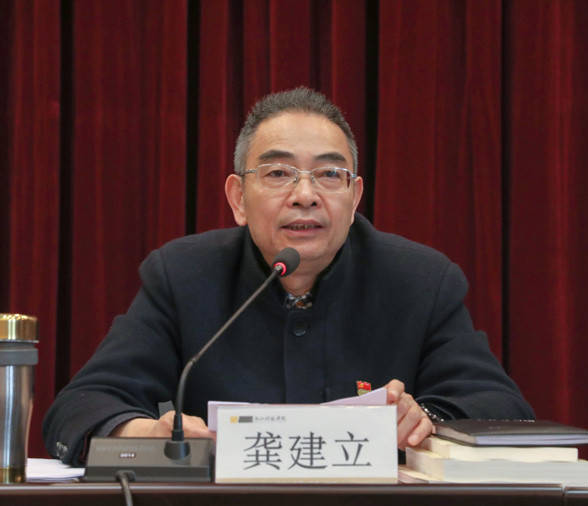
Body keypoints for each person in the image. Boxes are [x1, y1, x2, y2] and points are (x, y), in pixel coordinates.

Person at [43, 87, 534, 466]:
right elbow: (80, 407)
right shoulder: (184, 276)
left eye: (329, 174)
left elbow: (502, 407)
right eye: (278, 174)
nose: (305, 195)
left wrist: (424, 418)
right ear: (238, 198)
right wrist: (144, 433)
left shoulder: (420, 281)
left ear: (355, 198)